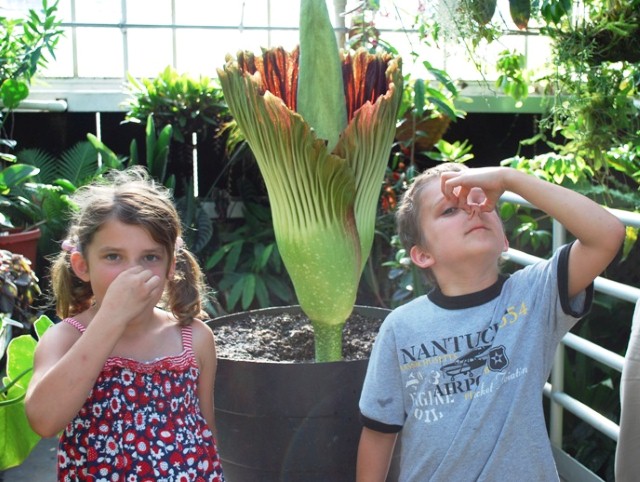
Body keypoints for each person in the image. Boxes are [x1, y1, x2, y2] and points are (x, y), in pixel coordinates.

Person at [356, 163, 625, 482]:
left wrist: (507, 178)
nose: (473, 210)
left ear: (505, 240)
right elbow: (379, 432)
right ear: (423, 255)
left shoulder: (534, 296)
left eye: (482, 201)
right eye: (450, 210)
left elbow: (607, 235)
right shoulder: (401, 327)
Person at [25, 167, 225, 481]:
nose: (132, 273)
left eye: (149, 258)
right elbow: (44, 420)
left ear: (171, 266)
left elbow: (206, 433)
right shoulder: (65, 338)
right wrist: (110, 319)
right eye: (113, 257)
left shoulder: (194, 338)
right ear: (82, 265)